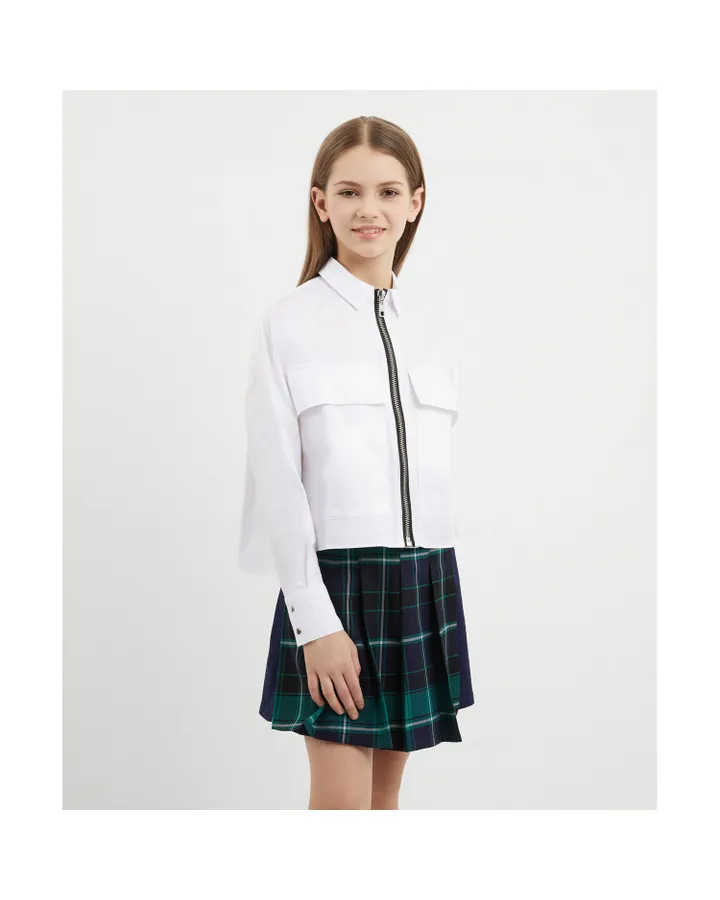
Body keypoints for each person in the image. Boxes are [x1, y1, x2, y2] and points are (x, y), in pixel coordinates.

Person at [239, 115, 474, 810]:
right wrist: (315, 622)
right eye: (349, 192)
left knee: (382, 806)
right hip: (337, 585)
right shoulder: (288, 324)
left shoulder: (428, 331)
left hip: (422, 577)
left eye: (388, 191)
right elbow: (277, 485)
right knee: (341, 812)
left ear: (415, 202)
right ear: (321, 203)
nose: (369, 209)